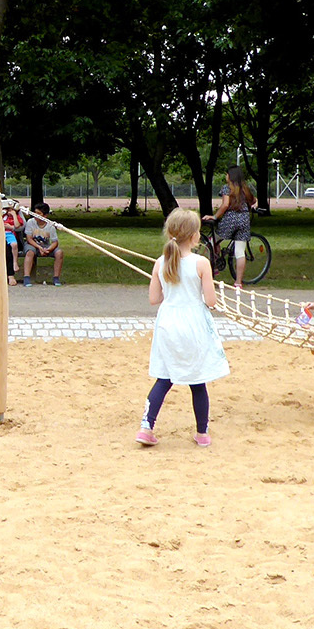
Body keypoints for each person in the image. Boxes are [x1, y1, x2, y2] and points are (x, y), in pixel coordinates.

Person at [138, 208, 229, 448]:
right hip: (192, 324)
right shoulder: (201, 263)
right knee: (197, 380)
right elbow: (211, 301)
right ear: (194, 236)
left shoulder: (161, 262)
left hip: (168, 323)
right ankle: (202, 433)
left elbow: (154, 299)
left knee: (164, 378)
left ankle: (146, 427)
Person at [203, 166, 256, 287]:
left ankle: (213, 266)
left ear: (230, 176)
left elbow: (225, 204)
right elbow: (254, 201)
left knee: (212, 241)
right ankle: (238, 282)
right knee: (240, 252)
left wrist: (215, 216)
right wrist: (254, 206)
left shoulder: (227, 188)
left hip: (230, 219)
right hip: (244, 220)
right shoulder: (245, 189)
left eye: (227, 174)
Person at [21, 201, 64, 287]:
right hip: (32, 245)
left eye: (38, 213)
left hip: (46, 246)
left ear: (45, 215)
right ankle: (26, 277)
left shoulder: (51, 225)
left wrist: (48, 249)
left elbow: (55, 242)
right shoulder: (30, 222)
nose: (35, 215)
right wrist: (39, 248)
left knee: (59, 253)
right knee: (30, 252)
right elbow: (29, 239)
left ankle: (56, 278)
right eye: (35, 213)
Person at [2, 204, 24, 286]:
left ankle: (11, 273)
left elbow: (18, 226)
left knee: (11, 247)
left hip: (10, 234)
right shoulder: (2, 215)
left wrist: (14, 214)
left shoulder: (16, 216)